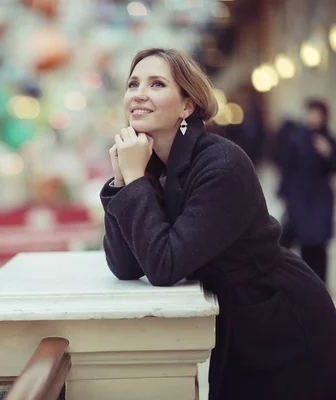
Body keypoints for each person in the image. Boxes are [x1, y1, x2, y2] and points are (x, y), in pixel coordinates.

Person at [100, 48, 336, 400]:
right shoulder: (155, 166)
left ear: (186, 106)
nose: (139, 93)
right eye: (133, 83)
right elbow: (126, 265)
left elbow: (164, 265)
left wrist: (134, 182)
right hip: (240, 323)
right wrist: (123, 181)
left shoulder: (221, 164)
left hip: (283, 322)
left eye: (157, 83)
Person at [277, 99, 336, 282]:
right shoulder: (296, 137)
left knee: (318, 242)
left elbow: (332, 169)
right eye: (311, 113)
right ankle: (304, 283)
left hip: (320, 198)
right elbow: (287, 167)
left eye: (317, 113)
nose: (313, 117)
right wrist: (284, 193)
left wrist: (328, 154)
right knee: (300, 239)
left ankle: (320, 283)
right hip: (299, 197)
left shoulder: (328, 139)